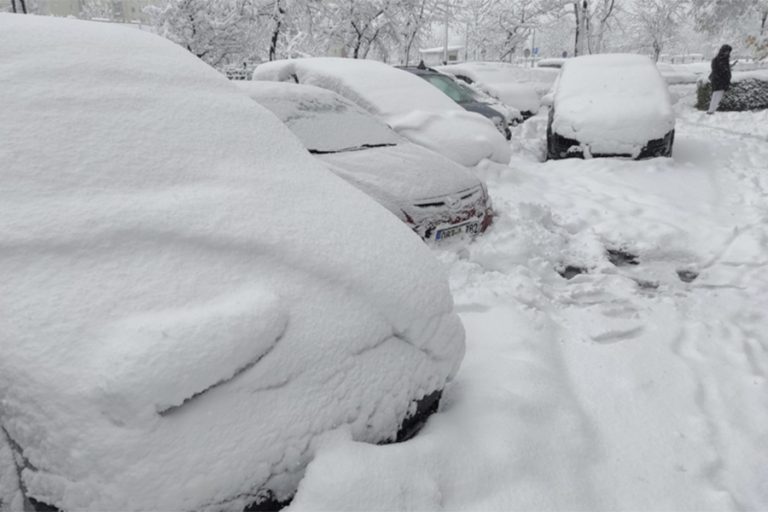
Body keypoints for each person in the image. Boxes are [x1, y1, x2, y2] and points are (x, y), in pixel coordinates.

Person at [707, 44, 736, 114]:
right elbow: (717, 70)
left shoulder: (725, 59)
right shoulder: (717, 60)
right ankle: (711, 111)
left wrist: (729, 67)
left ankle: (711, 110)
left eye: (729, 51)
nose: (728, 53)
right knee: (716, 95)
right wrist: (725, 71)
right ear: (723, 51)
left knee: (717, 95)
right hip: (718, 80)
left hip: (722, 81)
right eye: (726, 51)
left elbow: (725, 69)